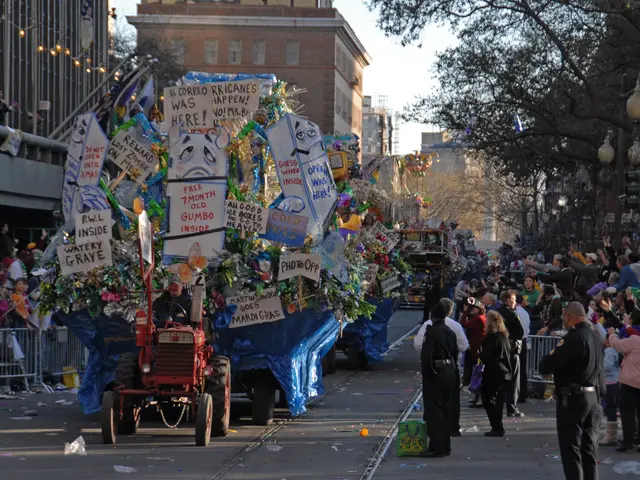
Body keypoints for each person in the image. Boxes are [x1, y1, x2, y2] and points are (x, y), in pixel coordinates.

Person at [539, 302, 604, 480]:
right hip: (593, 397)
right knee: (589, 450)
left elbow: (546, 365)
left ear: (568, 316)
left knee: (571, 450)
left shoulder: (573, 338)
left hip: (574, 399)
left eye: (563, 317)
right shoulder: (595, 336)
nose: (563, 321)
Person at [414, 298, 469, 436]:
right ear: (450, 311)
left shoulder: (428, 326)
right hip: (452, 367)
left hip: (433, 369)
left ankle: (434, 429)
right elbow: (464, 346)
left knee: (433, 401)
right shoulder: (455, 327)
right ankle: (452, 427)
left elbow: (417, 345)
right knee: (451, 399)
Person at [420, 302, 458, 457]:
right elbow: (455, 352)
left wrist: (427, 375)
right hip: (450, 372)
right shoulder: (450, 331)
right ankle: (446, 445)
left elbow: (426, 357)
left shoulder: (431, 332)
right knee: (446, 409)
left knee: (434, 411)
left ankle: (436, 447)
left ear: (432, 316)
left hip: (436, 373)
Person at [607, 325, 640, 452]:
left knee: (627, 412)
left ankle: (628, 441)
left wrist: (612, 334)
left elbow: (617, 345)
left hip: (631, 383)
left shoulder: (635, 340)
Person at [479, 311, 512, 437]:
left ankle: (496, 426)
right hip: (504, 371)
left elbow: (486, 356)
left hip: (493, 371)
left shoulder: (491, 337)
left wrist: (480, 353)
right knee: (498, 400)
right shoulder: (504, 336)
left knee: (489, 399)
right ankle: (498, 426)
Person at [497, 290, 525, 417]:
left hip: (498, 350)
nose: (515, 303)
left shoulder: (495, 313)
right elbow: (520, 332)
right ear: (508, 300)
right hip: (511, 350)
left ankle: (498, 406)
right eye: (513, 300)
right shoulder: (511, 314)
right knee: (513, 380)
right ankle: (511, 407)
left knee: (500, 380)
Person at [460, 297, 487, 407]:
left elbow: (464, 324)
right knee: (477, 374)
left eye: (473, 308)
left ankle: (479, 399)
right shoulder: (478, 318)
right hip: (475, 348)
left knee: (479, 374)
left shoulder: (479, 319)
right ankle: (477, 398)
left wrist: (465, 312)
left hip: (478, 349)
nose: (471, 310)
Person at [600, 333, 621, 447]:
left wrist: (598, 365)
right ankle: (612, 434)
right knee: (611, 408)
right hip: (615, 381)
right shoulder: (616, 350)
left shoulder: (609, 351)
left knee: (610, 408)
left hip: (610, 382)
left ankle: (610, 435)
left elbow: (607, 366)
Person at [515, 295, 531, 403]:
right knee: (522, 369)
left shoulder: (516, 312)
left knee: (516, 369)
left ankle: (517, 394)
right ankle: (523, 394)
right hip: (524, 341)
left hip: (518, 341)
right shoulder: (525, 312)